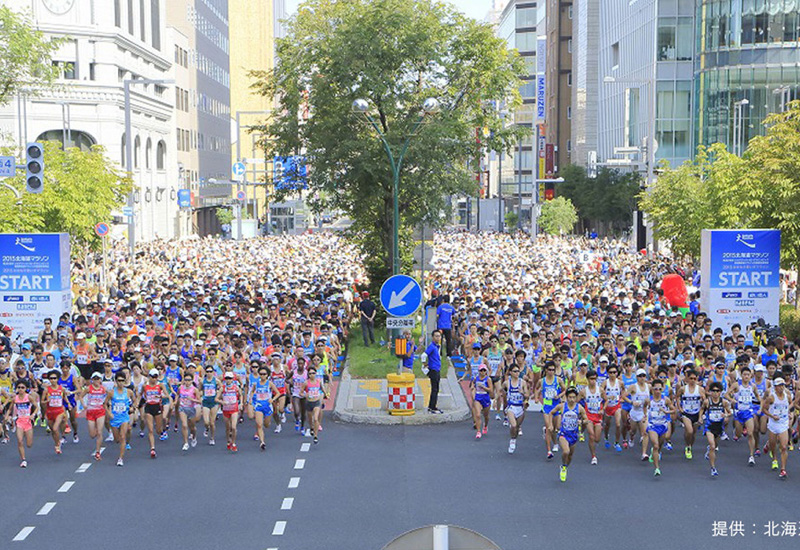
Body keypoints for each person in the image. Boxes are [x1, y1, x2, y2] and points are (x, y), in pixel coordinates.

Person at [726, 365, 759, 466]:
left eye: (748, 375)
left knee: (750, 433)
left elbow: (758, 396)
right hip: (738, 412)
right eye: (744, 374)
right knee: (738, 434)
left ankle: (751, 456)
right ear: (741, 375)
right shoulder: (737, 385)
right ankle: (736, 431)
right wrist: (732, 399)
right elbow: (726, 394)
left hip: (748, 412)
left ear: (750, 376)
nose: (746, 376)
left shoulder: (752, 386)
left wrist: (762, 405)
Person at [554, 386, 587, 482]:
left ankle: (564, 466)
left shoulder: (579, 408)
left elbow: (586, 419)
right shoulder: (562, 406)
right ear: (566, 397)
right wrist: (554, 425)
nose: (572, 399)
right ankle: (564, 467)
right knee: (566, 451)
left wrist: (582, 421)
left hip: (573, 434)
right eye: (570, 397)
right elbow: (552, 412)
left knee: (570, 455)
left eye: (574, 397)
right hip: (563, 433)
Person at [760, 377, 791, 480]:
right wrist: (772, 416)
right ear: (775, 387)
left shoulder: (787, 395)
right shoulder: (771, 398)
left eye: (782, 385)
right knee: (773, 444)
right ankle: (774, 458)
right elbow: (764, 409)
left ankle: (783, 469)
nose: (781, 388)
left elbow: (791, 405)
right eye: (779, 386)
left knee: (783, 446)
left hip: (783, 422)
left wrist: (789, 413)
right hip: (773, 423)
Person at [643, 378, 675, 477]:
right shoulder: (649, 400)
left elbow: (674, 410)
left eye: (659, 389)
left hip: (663, 425)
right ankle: (657, 468)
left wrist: (667, 412)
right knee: (655, 445)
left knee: (660, 445)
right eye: (655, 389)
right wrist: (645, 415)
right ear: (652, 389)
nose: (657, 391)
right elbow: (644, 406)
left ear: (662, 389)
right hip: (653, 425)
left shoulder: (665, 400)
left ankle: (656, 452)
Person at [535, 361, 564, 460]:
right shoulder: (542, 381)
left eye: (553, 370)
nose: (551, 372)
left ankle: (555, 443)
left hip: (556, 406)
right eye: (550, 370)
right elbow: (537, 389)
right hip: (547, 407)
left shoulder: (558, 380)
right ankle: (549, 451)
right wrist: (537, 398)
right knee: (549, 428)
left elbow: (565, 390)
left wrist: (559, 395)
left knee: (557, 427)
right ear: (546, 370)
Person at [701, 381, 731, 476]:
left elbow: (730, 412)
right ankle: (713, 468)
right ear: (710, 392)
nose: (715, 393)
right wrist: (700, 418)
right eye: (713, 391)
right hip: (709, 426)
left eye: (717, 391)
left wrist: (726, 415)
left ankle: (709, 451)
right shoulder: (707, 402)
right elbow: (702, 409)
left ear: (720, 392)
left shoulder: (724, 402)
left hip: (719, 426)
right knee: (713, 446)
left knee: (715, 445)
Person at [104, 372, 134, 467]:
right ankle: (124, 440)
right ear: (116, 381)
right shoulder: (112, 392)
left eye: (122, 381)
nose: (121, 383)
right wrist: (109, 413)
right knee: (117, 439)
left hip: (124, 417)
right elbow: (105, 404)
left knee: (122, 436)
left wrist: (133, 407)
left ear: (125, 381)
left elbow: (135, 400)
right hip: (114, 419)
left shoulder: (128, 392)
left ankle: (120, 458)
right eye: (119, 381)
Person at [248, 365, 280, 450]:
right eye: (261, 374)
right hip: (259, 405)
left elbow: (278, 393)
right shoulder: (256, 384)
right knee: (259, 424)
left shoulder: (269, 383)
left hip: (268, 406)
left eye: (264, 374)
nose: (262, 376)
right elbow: (251, 392)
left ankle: (267, 424)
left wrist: (272, 399)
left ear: (267, 375)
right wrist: (250, 399)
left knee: (266, 425)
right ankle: (262, 442)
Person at [677, 368, 705, 460]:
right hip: (686, 413)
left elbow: (704, 402)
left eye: (694, 378)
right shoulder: (683, 389)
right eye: (691, 378)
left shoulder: (700, 389)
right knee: (689, 430)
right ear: (687, 379)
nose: (693, 380)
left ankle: (689, 446)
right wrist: (679, 408)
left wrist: (702, 412)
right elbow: (677, 397)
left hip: (696, 413)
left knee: (693, 433)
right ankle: (687, 446)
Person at [7, 380, 36, 467]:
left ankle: (26, 436)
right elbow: (10, 409)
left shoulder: (29, 397)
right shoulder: (14, 399)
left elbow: (37, 407)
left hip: (28, 421)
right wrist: (8, 416)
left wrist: (33, 415)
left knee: (29, 444)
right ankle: (23, 459)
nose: (20, 389)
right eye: (19, 387)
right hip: (19, 420)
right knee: (19, 441)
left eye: (22, 387)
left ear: (26, 389)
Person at [142, 368, 170, 458]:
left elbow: (167, 395)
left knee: (158, 430)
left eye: (156, 377)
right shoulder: (145, 386)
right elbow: (140, 395)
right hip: (149, 407)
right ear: (149, 377)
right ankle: (152, 449)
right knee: (150, 430)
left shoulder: (160, 385)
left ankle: (162, 431)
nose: (154, 379)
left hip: (157, 407)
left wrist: (160, 395)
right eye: (152, 377)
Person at [80, 372, 107, 460]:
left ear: (100, 380)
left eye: (98, 379)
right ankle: (95, 428)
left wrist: (106, 404)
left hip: (100, 412)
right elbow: (81, 396)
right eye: (94, 379)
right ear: (92, 380)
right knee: (92, 435)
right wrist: (84, 405)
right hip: (91, 412)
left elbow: (108, 397)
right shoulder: (88, 389)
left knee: (99, 432)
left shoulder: (103, 389)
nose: (96, 381)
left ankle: (98, 452)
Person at [43, 370, 69, 455]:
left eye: (54, 378)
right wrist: (47, 400)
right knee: (53, 431)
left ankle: (58, 445)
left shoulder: (61, 388)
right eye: (51, 378)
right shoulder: (46, 390)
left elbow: (64, 398)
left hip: (59, 411)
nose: (53, 380)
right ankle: (57, 443)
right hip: (50, 412)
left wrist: (68, 404)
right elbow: (42, 402)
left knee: (55, 428)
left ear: (57, 379)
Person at [503, 364, 528, 454]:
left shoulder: (523, 383)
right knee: (513, 425)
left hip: (520, 407)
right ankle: (512, 440)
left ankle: (514, 438)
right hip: (511, 407)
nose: (517, 373)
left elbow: (527, 395)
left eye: (518, 371)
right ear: (510, 372)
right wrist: (497, 400)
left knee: (517, 427)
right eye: (515, 371)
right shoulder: (507, 382)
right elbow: (501, 390)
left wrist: (523, 393)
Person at [581, 369, 604, 465]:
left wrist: (603, 409)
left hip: (598, 417)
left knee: (597, 439)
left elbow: (606, 400)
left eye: (594, 379)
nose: (593, 381)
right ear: (587, 379)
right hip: (588, 416)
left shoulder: (600, 390)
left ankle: (582, 430)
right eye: (591, 379)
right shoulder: (583, 391)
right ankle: (593, 456)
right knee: (591, 435)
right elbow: (576, 401)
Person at [217, 371, 242, 452]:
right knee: (228, 428)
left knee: (234, 427)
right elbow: (216, 398)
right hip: (226, 410)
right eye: (227, 378)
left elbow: (241, 395)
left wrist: (240, 403)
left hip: (234, 409)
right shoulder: (223, 388)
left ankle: (234, 443)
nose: (228, 380)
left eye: (230, 378)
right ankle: (228, 441)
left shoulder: (236, 387)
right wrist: (222, 402)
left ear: (232, 379)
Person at [302, 366, 327, 444]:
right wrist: (305, 395)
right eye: (310, 373)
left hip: (316, 402)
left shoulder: (318, 381)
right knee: (310, 419)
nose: (312, 375)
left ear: (316, 373)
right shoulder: (306, 383)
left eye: (313, 373)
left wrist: (326, 395)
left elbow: (322, 389)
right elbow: (301, 392)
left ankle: (315, 436)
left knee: (315, 418)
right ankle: (311, 428)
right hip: (309, 402)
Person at [177, 373, 201, 452]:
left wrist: (192, 399)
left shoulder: (194, 389)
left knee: (192, 427)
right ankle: (186, 443)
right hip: (182, 408)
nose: (187, 382)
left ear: (192, 381)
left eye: (189, 380)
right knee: (184, 425)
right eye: (186, 380)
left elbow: (199, 401)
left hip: (191, 409)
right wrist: (175, 402)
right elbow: (178, 396)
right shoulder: (181, 388)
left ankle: (194, 437)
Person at [470, 365, 494, 439]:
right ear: (479, 371)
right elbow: (472, 385)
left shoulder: (488, 379)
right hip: (478, 397)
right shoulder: (476, 378)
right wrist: (472, 387)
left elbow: (491, 390)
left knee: (486, 416)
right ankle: (478, 431)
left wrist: (483, 387)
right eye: (481, 370)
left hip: (485, 398)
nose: (482, 372)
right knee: (477, 414)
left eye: (484, 370)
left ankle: (485, 426)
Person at [423, 330, 443, 414]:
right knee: (435, 389)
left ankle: (432, 406)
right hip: (433, 370)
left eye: (439, 336)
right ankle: (432, 407)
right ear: (433, 337)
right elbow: (424, 355)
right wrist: (424, 364)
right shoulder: (432, 346)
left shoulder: (436, 346)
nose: (438, 338)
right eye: (436, 336)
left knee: (436, 389)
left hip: (437, 369)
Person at [201, 366, 220, 445]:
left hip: (213, 402)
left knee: (212, 423)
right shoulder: (203, 381)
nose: (209, 373)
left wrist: (218, 395)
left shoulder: (216, 381)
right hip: (205, 402)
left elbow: (221, 389)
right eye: (207, 371)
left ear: (213, 372)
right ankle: (206, 428)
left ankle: (212, 437)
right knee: (206, 421)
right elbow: (200, 390)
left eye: (210, 371)